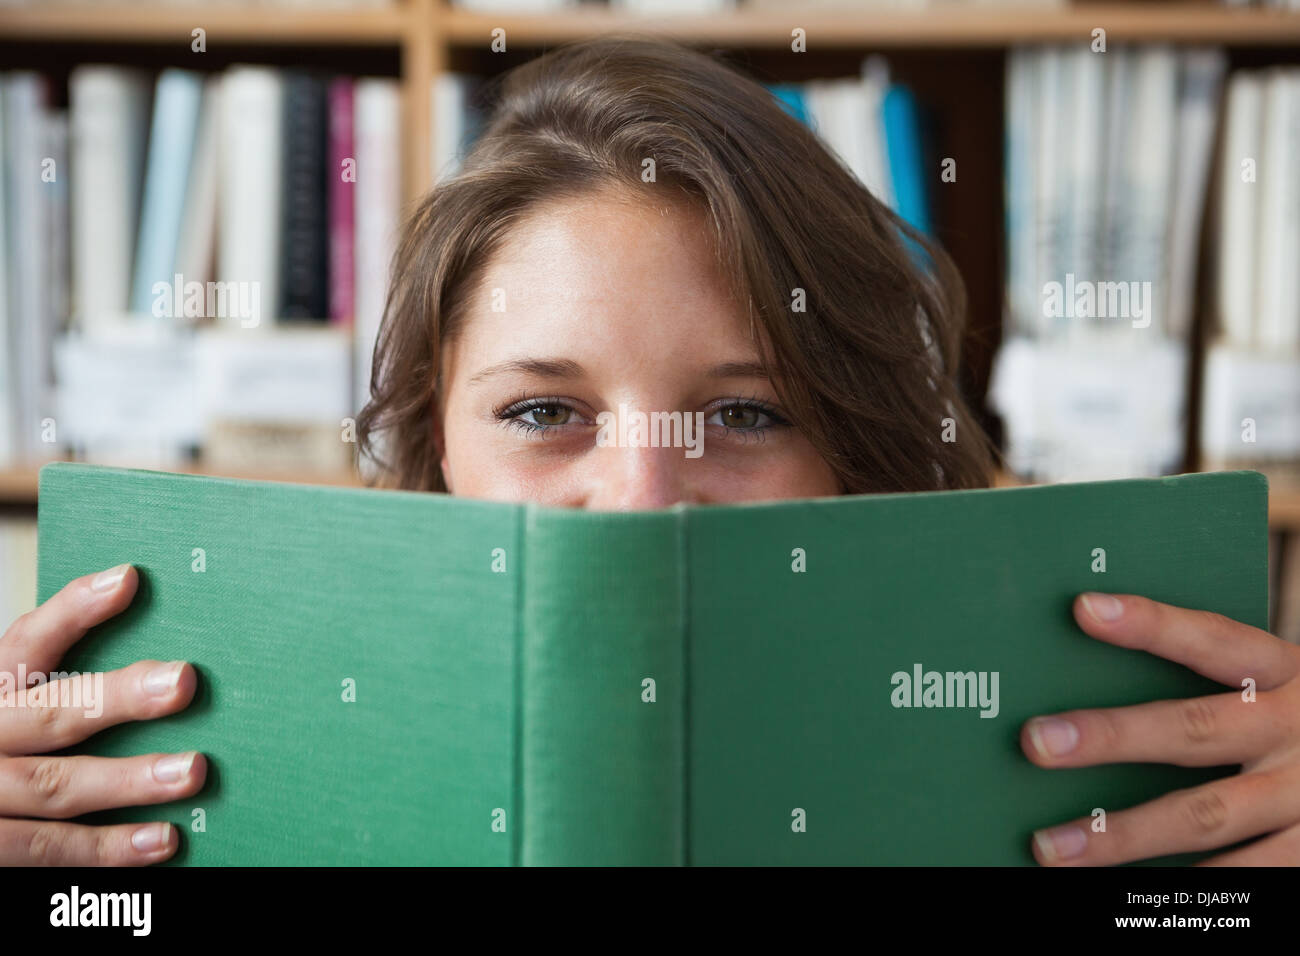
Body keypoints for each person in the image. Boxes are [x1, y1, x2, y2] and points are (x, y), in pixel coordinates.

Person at [3, 36, 1297, 866]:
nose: (640, 500)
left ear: (862, 455)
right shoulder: (193, 784)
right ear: (429, 450)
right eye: (540, 412)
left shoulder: (1099, 792)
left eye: (746, 413)